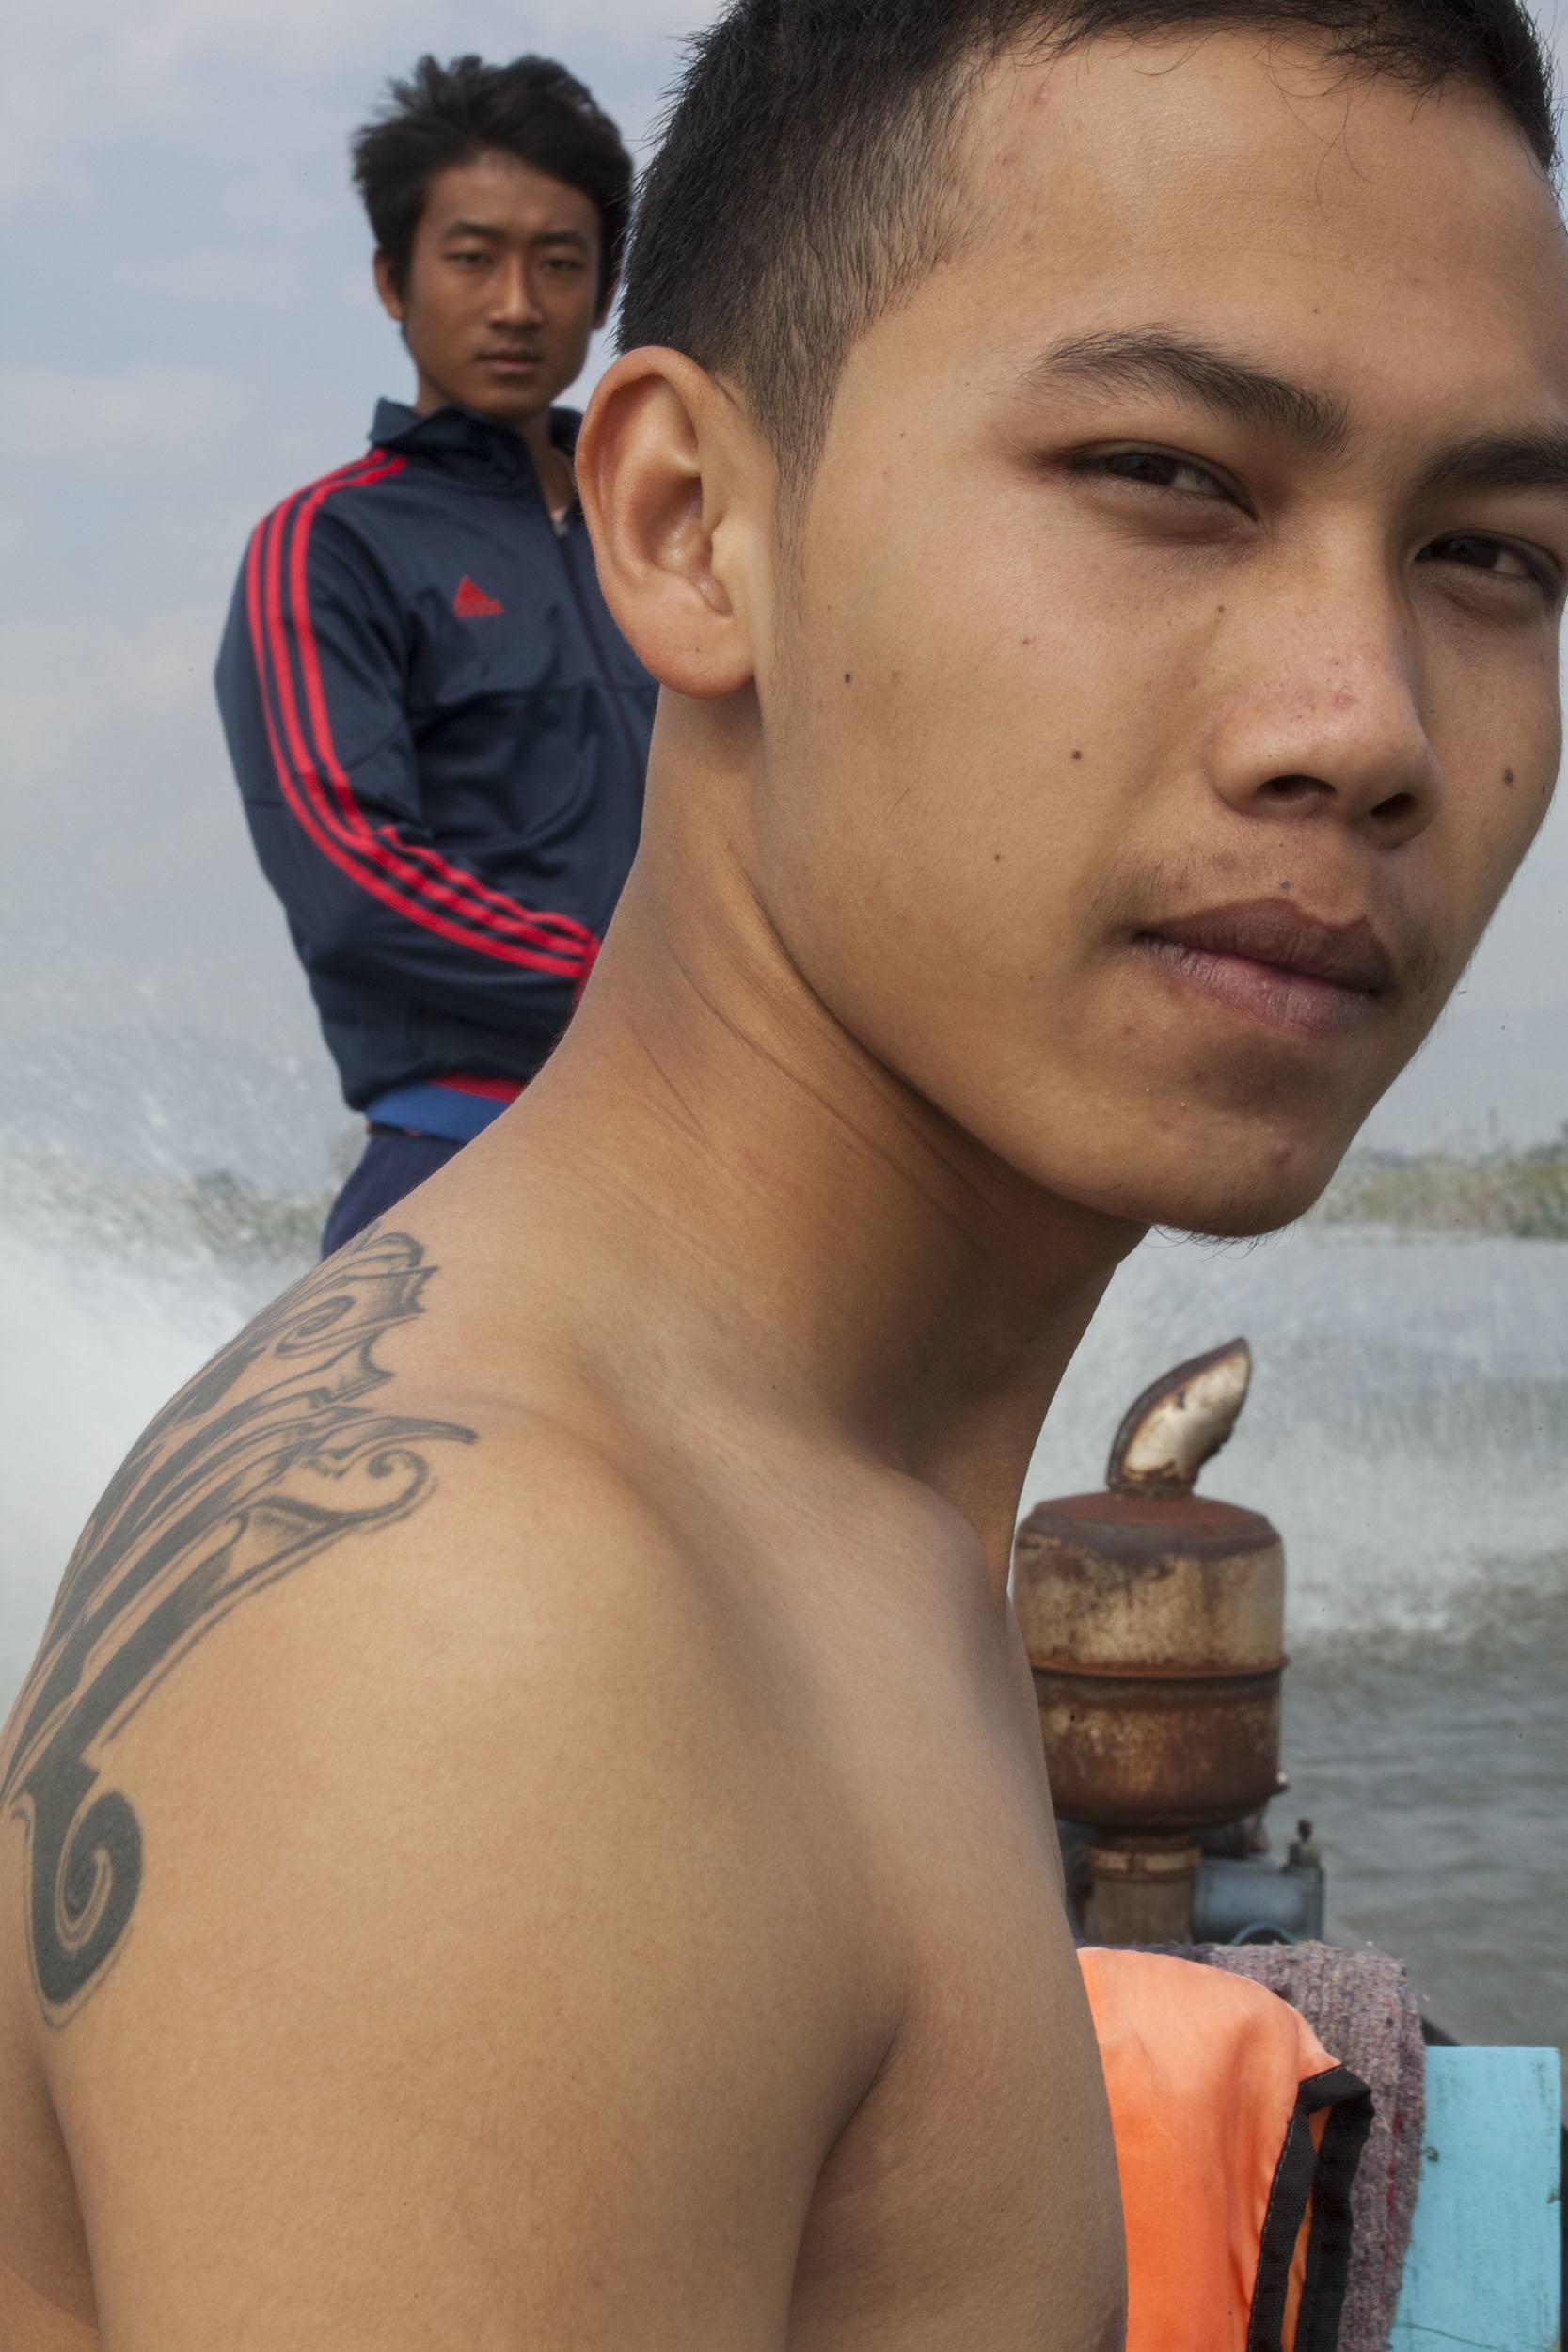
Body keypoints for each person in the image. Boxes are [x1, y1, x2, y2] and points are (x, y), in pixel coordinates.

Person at [4, 2, 1565, 2342]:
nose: (1364, 725)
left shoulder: (821, 1507)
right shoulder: (500, 1656)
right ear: (687, 528)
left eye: (1491, 551)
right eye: (1166, 474)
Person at [214, 55, 655, 1255]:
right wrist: (643, 985)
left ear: (605, 286)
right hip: (463, 1157)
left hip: (726, 1156)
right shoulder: (328, 545)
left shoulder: (676, 540)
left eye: (558, 263)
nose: (516, 302)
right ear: (391, 278)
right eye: (471, 258)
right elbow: (351, 877)